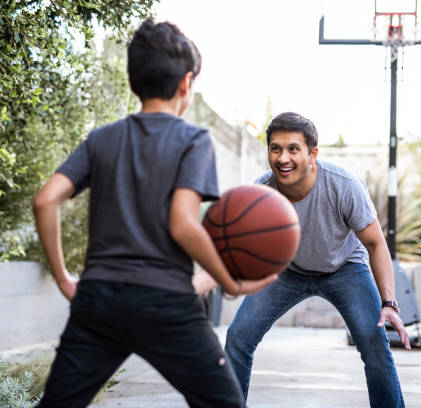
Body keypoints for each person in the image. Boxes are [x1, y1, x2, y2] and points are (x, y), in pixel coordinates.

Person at [33, 19, 276, 408]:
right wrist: (227, 281)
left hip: (98, 302)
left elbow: (45, 200)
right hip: (165, 303)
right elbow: (182, 223)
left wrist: (64, 278)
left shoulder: (101, 138)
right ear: (186, 84)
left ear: (134, 81)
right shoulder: (192, 140)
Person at [195, 112, 410, 407]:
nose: (283, 157)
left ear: (313, 154)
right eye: (275, 148)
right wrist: (189, 287)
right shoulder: (261, 193)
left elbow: (375, 243)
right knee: (238, 337)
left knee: (375, 345)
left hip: (344, 267)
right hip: (287, 269)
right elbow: (231, 249)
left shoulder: (344, 185)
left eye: (293, 149)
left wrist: (389, 304)